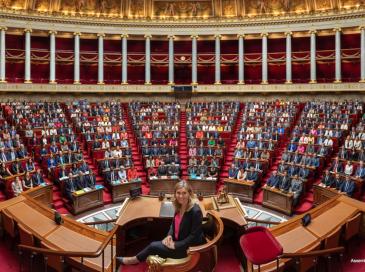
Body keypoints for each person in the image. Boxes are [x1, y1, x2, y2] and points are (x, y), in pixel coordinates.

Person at [116, 181, 204, 267]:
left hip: (187, 249)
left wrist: (176, 245)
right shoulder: (179, 205)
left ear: (189, 194)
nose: (181, 196)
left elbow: (194, 236)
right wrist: (169, 235)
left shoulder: (195, 211)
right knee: (156, 243)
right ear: (175, 193)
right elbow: (174, 225)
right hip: (177, 241)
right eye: (178, 193)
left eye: (184, 193)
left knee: (153, 246)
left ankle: (133, 260)